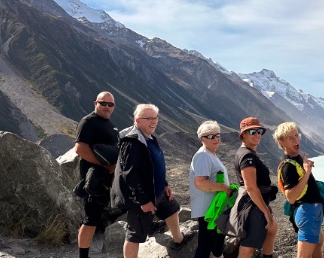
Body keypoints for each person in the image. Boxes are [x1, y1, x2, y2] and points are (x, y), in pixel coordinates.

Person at [110, 104, 191, 258]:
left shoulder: (149, 137)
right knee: (135, 234)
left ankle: (178, 240)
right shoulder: (132, 142)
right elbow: (130, 174)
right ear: (138, 120)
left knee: (172, 208)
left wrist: (165, 184)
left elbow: (154, 165)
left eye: (155, 118)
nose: (154, 122)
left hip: (157, 190)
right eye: (149, 119)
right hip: (143, 196)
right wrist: (143, 200)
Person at [74, 91, 119, 258]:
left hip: (107, 177)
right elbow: (80, 148)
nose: (106, 107)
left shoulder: (110, 124)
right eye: (103, 103)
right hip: (93, 178)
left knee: (99, 215)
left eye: (110, 104)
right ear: (95, 103)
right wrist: (104, 166)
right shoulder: (88, 121)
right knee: (90, 219)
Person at [273, 122, 324, 258]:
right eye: (290, 138)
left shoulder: (296, 160)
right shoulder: (288, 167)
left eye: (297, 135)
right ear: (281, 143)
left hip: (312, 211)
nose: (296, 140)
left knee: (318, 244)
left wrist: (305, 167)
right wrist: (307, 173)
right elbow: (290, 197)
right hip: (308, 212)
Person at [234, 117, 278, 258]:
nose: (257, 134)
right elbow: (251, 187)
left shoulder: (248, 153)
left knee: (272, 229)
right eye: (253, 132)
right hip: (253, 208)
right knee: (248, 247)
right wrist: (265, 211)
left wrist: (265, 206)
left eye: (259, 131)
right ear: (243, 135)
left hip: (256, 205)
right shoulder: (247, 156)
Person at [189, 120, 232, 258]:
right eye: (211, 136)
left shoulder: (210, 154)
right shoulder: (203, 155)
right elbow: (200, 182)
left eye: (217, 135)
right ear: (202, 138)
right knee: (205, 246)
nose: (216, 139)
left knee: (215, 243)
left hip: (214, 209)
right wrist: (225, 188)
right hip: (208, 210)